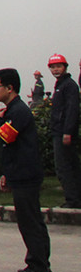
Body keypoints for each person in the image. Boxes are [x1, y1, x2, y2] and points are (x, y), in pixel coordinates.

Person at [0, 67, 51, 272]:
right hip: (21, 171)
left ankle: (38, 267)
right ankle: (42, 263)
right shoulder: (13, 110)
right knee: (33, 219)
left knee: (29, 222)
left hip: (26, 173)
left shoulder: (17, 111)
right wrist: (7, 173)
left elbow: (4, 137)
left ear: (10, 88)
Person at [47, 53, 81, 209]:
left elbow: (72, 110)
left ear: (65, 67)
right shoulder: (60, 85)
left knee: (64, 167)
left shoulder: (69, 85)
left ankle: (72, 200)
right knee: (72, 165)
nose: (55, 70)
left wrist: (67, 131)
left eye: (58, 66)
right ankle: (76, 198)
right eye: (53, 67)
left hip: (63, 133)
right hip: (59, 131)